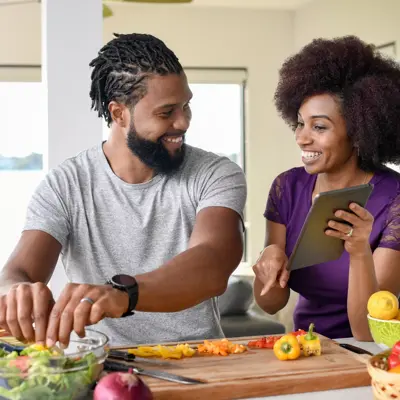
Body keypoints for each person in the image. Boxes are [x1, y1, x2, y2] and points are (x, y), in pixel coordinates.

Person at [0, 33, 246, 347]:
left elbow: (213, 262)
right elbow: (16, 272)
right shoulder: (65, 184)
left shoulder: (214, 172)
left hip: (200, 360)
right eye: (166, 112)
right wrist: (16, 292)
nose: (183, 122)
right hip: (101, 364)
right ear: (119, 114)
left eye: (186, 106)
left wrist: (124, 294)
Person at [253, 35, 400, 341]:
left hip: (376, 354)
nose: (302, 138)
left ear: (359, 132)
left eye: (319, 127)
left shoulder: (394, 198)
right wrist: (269, 258)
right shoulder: (287, 187)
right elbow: (270, 304)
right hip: (305, 346)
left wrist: (359, 251)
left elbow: (367, 332)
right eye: (300, 123)